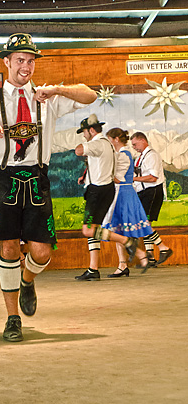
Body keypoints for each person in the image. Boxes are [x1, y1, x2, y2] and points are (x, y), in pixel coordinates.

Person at [0, 32, 97, 342]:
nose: (26, 66)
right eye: (20, 60)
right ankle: (12, 317)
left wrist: (56, 89)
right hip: (2, 176)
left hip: (37, 176)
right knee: (10, 246)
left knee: (41, 252)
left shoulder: (48, 97)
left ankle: (28, 280)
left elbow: (90, 95)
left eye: (30, 60)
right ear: (7, 62)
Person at [74, 115, 140, 281]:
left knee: (88, 229)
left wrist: (85, 145)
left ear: (91, 130)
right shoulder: (108, 145)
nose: (83, 135)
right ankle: (93, 269)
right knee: (94, 229)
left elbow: (79, 150)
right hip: (105, 189)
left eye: (84, 132)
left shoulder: (97, 143)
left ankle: (127, 241)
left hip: (98, 191)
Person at [102, 128, 154, 276]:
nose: (110, 143)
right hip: (120, 192)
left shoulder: (124, 155)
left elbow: (118, 178)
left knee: (118, 230)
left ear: (116, 139)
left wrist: (102, 173)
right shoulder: (119, 154)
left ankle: (136, 257)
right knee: (117, 230)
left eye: (110, 140)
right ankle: (123, 264)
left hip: (123, 193)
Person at [131, 132, 173, 265]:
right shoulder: (141, 157)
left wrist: (133, 179)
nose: (134, 147)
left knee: (144, 223)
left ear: (143, 140)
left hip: (152, 191)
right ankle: (150, 257)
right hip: (143, 192)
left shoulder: (152, 155)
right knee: (145, 223)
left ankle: (163, 248)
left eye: (135, 144)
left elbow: (152, 177)